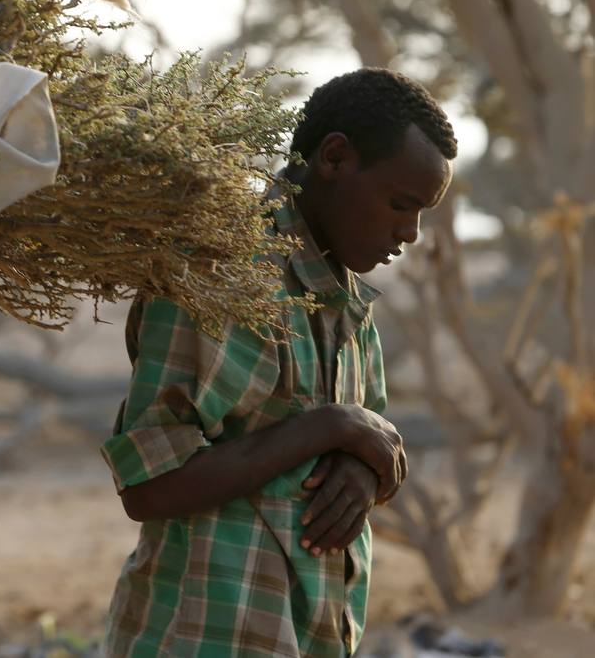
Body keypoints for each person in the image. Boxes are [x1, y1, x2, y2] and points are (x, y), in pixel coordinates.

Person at [101, 68, 457, 657]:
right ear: (335, 159)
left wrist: (366, 469)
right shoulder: (216, 270)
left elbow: (372, 442)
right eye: (400, 204)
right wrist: (329, 427)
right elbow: (149, 486)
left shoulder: (348, 304)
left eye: (422, 214)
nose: (412, 233)